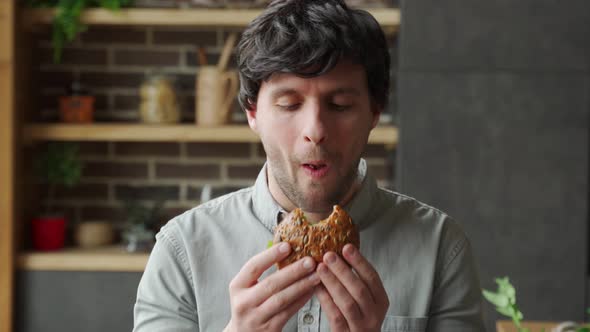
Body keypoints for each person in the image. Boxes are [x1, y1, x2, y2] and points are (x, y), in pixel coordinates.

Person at [133, 0, 486, 331]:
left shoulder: (441, 248)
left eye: (341, 105)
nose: (315, 131)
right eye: (289, 104)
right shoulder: (182, 250)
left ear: (374, 112)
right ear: (252, 112)